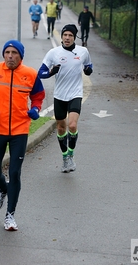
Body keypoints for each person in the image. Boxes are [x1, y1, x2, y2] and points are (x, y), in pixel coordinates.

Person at [0, 40, 45, 231]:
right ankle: (4, 189)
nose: (10, 56)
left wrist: (36, 109)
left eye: (14, 52)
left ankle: (10, 215)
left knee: (15, 172)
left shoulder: (30, 74)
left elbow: (38, 95)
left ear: (21, 56)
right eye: (7, 52)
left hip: (19, 130)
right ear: (3, 54)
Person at [38, 24, 93, 173]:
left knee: (73, 125)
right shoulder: (53, 53)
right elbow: (40, 73)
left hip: (75, 94)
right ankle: (64, 157)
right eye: (65, 35)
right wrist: (51, 72)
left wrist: (88, 70)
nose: (67, 38)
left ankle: (71, 154)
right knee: (61, 127)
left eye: (70, 35)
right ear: (61, 37)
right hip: (59, 95)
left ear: (74, 37)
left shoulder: (83, 51)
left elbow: (89, 66)